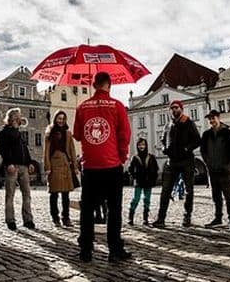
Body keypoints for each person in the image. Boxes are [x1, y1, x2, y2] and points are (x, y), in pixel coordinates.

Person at [73, 72, 132, 263]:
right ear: (110, 85)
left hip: (90, 165)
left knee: (87, 209)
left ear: (93, 84)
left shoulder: (82, 107)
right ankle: (114, 250)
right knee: (114, 209)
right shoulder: (117, 106)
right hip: (111, 164)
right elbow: (125, 135)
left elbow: (77, 135)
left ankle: (86, 250)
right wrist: (122, 157)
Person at [152, 100, 201, 228]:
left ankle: (187, 217)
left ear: (181, 109)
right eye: (172, 108)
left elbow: (197, 140)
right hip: (172, 161)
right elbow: (163, 139)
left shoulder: (188, 122)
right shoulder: (168, 125)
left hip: (186, 161)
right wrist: (164, 148)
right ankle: (161, 218)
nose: (174, 110)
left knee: (188, 190)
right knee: (165, 190)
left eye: (176, 108)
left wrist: (187, 148)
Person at [0, 108, 35, 230]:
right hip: (12, 166)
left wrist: (29, 162)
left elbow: (24, 148)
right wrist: (9, 164)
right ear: (12, 117)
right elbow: (3, 149)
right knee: (10, 195)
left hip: (23, 166)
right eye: (18, 116)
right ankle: (10, 220)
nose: (20, 118)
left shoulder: (18, 132)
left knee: (27, 194)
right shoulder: (5, 132)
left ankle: (28, 219)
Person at [200, 110, 230, 232]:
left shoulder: (227, 132)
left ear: (218, 118)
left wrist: (227, 163)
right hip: (212, 170)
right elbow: (203, 150)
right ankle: (218, 219)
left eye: (213, 118)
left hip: (225, 170)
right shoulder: (206, 134)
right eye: (209, 119)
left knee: (229, 196)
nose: (211, 121)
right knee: (216, 196)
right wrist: (207, 162)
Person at [43, 110, 78, 227]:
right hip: (54, 164)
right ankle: (55, 217)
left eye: (63, 119)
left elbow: (72, 151)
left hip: (65, 164)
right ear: (55, 119)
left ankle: (66, 217)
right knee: (54, 193)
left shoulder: (68, 133)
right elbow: (46, 151)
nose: (61, 121)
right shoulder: (49, 132)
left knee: (66, 194)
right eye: (59, 118)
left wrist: (75, 166)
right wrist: (47, 166)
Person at [127, 138, 159, 226]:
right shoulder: (135, 157)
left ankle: (145, 219)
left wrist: (153, 179)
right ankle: (131, 217)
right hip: (138, 182)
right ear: (137, 146)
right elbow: (130, 169)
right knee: (135, 199)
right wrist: (134, 176)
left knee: (147, 200)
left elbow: (156, 169)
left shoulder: (151, 157)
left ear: (146, 145)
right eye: (140, 145)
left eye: (143, 145)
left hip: (148, 182)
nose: (142, 146)